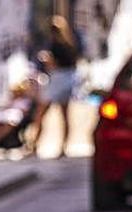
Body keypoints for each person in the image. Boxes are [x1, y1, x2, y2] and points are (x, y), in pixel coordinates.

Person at [32, 16, 79, 157]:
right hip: (67, 80)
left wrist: (47, 60)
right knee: (63, 115)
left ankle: (35, 145)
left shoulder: (56, 46)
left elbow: (52, 65)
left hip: (58, 79)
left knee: (41, 114)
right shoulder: (70, 44)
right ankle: (62, 147)